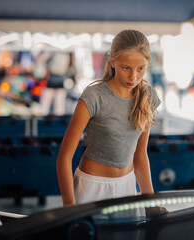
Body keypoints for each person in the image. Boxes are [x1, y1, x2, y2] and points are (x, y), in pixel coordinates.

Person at [56, 29, 161, 206]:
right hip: (91, 186)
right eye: (126, 68)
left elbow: (140, 155)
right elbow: (64, 158)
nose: (133, 77)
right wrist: (69, 206)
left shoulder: (147, 96)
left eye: (140, 69)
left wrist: (150, 203)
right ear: (113, 61)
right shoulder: (93, 96)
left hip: (127, 186)